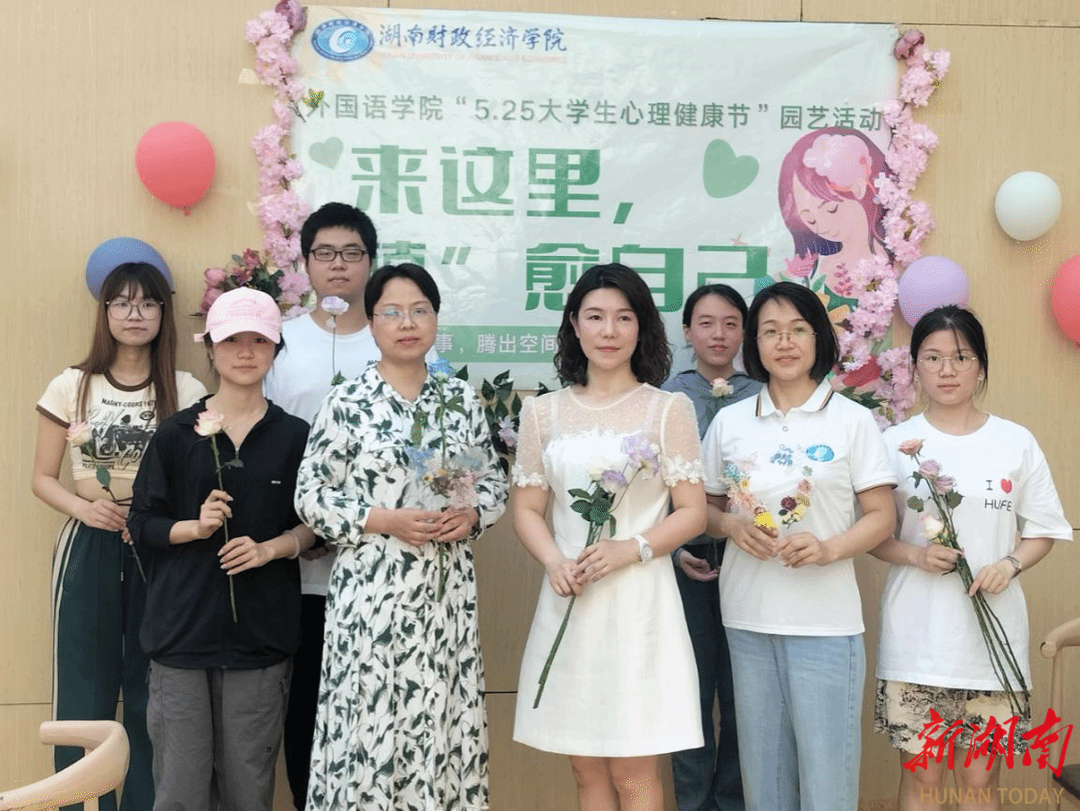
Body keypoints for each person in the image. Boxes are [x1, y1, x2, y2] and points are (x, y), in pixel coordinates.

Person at [295, 263, 507, 811]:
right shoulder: (347, 402)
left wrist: (472, 516)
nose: (407, 323)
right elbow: (311, 496)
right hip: (370, 597)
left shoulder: (459, 400)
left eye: (419, 310)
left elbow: (491, 484)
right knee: (369, 723)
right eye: (391, 312)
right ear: (371, 322)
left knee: (439, 716)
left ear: (436, 318)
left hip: (444, 595)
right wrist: (382, 520)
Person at [512, 263, 707, 811]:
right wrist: (554, 561)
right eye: (595, 317)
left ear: (641, 328)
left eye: (624, 318)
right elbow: (526, 507)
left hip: (639, 602)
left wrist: (633, 548)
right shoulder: (542, 413)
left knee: (634, 768)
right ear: (574, 325)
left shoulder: (668, 409)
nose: (609, 331)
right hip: (571, 595)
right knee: (585, 766)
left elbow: (693, 512)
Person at [700, 280, 896, 811]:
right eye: (770, 331)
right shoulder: (730, 422)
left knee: (827, 781)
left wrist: (829, 549)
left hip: (825, 625)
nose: (784, 342)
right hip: (748, 619)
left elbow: (882, 517)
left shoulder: (852, 420)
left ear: (818, 339)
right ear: (755, 344)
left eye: (798, 330)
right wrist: (731, 526)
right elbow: (704, 511)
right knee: (764, 781)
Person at [871, 305, 1072, 811]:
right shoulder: (892, 444)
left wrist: (1009, 564)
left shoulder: (1014, 441)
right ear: (915, 367)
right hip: (917, 643)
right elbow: (871, 534)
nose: (947, 370)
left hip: (991, 650)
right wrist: (916, 556)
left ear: (981, 366)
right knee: (923, 782)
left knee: (979, 783)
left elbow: (1043, 529)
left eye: (961, 357)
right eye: (932, 357)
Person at [128, 287, 315, 811]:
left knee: (248, 790)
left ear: (276, 349)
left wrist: (272, 549)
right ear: (210, 347)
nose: (246, 351)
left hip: (261, 637)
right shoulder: (175, 434)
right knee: (180, 791)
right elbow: (141, 523)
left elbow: (316, 527)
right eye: (232, 340)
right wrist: (194, 527)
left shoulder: (295, 436)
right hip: (181, 636)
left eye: (260, 340)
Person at [32, 259, 206, 811]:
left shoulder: (186, 388)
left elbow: (196, 478)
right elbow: (42, 478)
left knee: (153, 692)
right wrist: (86, 511)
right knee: (83, 690)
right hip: (89, 546)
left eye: (148, 303)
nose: (136, 314)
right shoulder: (71, 385)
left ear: (163, 314)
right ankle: (80, 803)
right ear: (104, 311)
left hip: (159, 549)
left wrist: (154, 520)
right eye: (123, 302)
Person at [662, 284, 760, 811]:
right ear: (686, 332)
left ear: (744, 332)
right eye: (705, 323)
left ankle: (734, 801)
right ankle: (694, 802)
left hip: (751, 561)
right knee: (689, 693)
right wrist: (673, 549)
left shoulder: (764, 395)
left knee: (745, 695)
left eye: (730, 323)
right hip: (683, 563)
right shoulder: (664, 397)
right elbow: (647, 488)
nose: (718, 334)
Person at [778, 126, 890, 295]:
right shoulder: (819, 271)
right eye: (810, 220)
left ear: (858, 188)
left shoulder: (899, 255)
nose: (822, 227)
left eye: (831, 209)